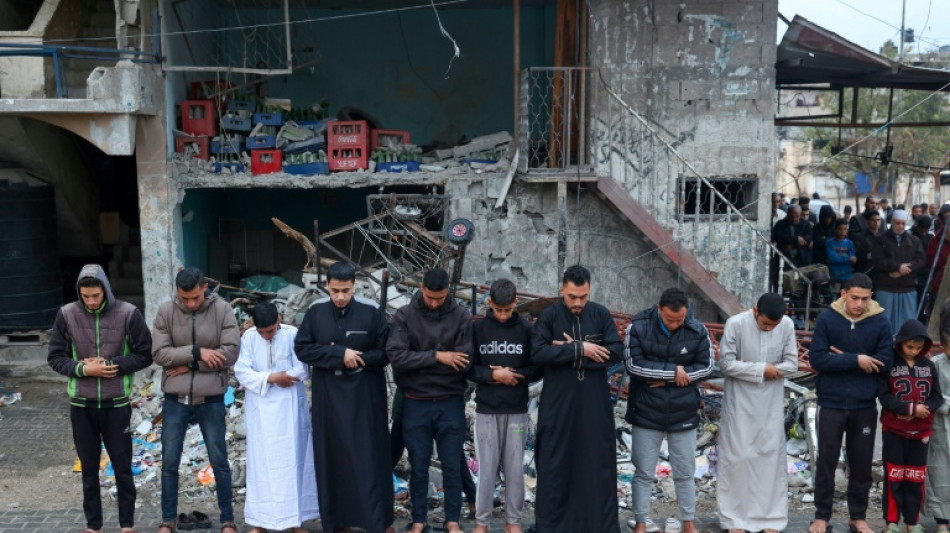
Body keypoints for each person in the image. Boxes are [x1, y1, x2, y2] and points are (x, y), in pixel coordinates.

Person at [47, 264, 153, 533]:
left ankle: (127, 525)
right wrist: (84, 369)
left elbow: (145, 354)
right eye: (86, 296)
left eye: (96, 295)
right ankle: (93, 526)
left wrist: (110, 364)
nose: (91, 301)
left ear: (105, 290)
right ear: (79, 293)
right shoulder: (66, 315)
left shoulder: (129, 313)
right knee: (89, 470)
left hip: (116, 405)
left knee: (122, 468)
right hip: (81, 406)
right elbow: (55, 358)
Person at [294, 262, 395, 533]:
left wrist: (357, 358)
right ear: (326, 285)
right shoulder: (315, 312)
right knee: (331, 457)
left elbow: (385, 353)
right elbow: (303, 349)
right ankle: (337, 522)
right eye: (335, 290)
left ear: (355, 286)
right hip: (328, 398)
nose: (340, 296)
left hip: (365, 398)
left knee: (368, 457)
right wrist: (339, 354)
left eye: (346, 290)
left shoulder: (371, 312)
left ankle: (378, 521)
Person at [531, 265, 623, 533]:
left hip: (594, 406)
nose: (578, 303)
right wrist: (580, 348)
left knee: (595, 464)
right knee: (556, 461)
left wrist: (569, 352)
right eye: (572, 297)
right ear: (562, 289)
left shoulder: (600, 314)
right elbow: (537, 354)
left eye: (583, 297)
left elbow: (616, 352)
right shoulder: (548, 317)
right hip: (559, 406)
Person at [152, 268, 240, 533]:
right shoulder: (166, 311)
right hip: (175, 399)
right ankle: (168, 520)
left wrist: (190, 364)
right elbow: (159, 354)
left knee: (219, 460)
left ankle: (228, 520)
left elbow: (230, 353)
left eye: (195, 298)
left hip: (211, 397)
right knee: (169, 462)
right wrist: (198, 352)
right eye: (184, 298)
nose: (190, 303)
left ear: (204, 288)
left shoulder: (223, 310)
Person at [388, 268, 473, 533]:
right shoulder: (405, 315)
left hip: (450, 400)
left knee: (451, 464)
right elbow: (397, 358)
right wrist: (439, 357)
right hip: (416, 401)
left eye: (440, 297)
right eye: (429, 297)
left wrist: (420, 360)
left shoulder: (461, 316)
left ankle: (452, 520)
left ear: (448, 291)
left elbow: (465, 361)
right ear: (421, 288)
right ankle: (418, 519)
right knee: (419, 464)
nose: (434, 302)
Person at [808, 273, 893, 533]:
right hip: (831, 401)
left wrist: (842, 358)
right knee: (826, 462)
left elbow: (885, 363)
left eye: (865, 299)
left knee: (861, 464)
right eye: (854, 298)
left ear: (871, 298)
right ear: (843, 294)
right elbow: (818, 360)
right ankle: (821, 516)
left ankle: (858, 516)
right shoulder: (827, 319)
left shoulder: (879, 321)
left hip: (864, 404)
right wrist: (856, 360)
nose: (859, 304)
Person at [624, 288, 714, 533]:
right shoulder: (638, 327)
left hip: (683, 410)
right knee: (643, 471)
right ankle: (641, 522)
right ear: (658, 310)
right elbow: (634, 365)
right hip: (646, 410)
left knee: (685, 472)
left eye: (679, 320)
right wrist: (674, 372)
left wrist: (668, 379)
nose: (674, 324)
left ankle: (688, 522)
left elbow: (706, 367)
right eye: (669, 319)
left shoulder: (697, 329)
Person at [716, 293, 799, 533]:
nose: (770, 328)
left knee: (769, 456)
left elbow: (791, 363)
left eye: (774, 325)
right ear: (755, 311)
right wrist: (762, 370)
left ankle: (770, 519)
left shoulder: (787, 325)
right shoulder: (736, 324)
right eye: (765, 324)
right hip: (739, 400)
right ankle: (734, 520)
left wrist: (773, 370)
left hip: (771, 401)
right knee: (738, 457)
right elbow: (727, 364)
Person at [234, 302, 318, 533]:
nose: (265, 336)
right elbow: (242, 371)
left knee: (293, 464)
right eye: (262, 332)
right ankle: (260, 522)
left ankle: (295, 521)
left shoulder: (292, 335)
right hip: (260, 410)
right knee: (261, 465)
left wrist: (284, 377)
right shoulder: (249, 338)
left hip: (290, 409)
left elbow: (303, 368)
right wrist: (272, 378)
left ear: (279, 320)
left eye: (269, 331)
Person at [468, 279, 542, 533]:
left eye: (506, 310)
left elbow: (537, 367)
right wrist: (493, 376)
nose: (501, 315)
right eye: (497, 310)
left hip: (517, 412)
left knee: (514, 469)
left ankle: (513, 521)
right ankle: (482, 522)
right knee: (486, 469)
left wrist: (516, 375)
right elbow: (468, 367)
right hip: (486, 410)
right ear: (489, 303)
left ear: (515, 304)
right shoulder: (477, 329)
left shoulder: (526, 329)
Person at [878, 319, 941, 533]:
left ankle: (912, 522)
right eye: (909, 347)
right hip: (894, 429)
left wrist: (924, 409)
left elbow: (937, 397)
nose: (914, 351)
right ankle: (891, 522)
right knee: (894, 475)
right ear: (900, 343)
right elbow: (884, 396)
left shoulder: (929, 366)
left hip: (920, 432)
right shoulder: (890, 364)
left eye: (918, 347)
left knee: (915, 477)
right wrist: (909, 409)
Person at [872, 210, 925, 330]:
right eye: (897, 223)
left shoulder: (914, 241)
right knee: (884, 325)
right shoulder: (880, 239)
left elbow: (921, 260)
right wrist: (897, 267)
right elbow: (878, 260)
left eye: (903, 223)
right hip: (886, 287)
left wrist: (904, 269)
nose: (900, 226)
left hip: (907, 287)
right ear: (891, 222)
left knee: (907, 326)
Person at [924, 332, 950, 533]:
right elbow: (931, 394)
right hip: (940, 426)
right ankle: (942, 521)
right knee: (940, 474)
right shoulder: (936, 365)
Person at [826, 219, 857, 290]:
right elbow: (832, 259)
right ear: (835, 229)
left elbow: (853, 260)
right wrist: (848, 258)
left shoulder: (850, 243)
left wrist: (839, 258)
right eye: (840, 229)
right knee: (835, 299)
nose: (843, 232)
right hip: (835, 276)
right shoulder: (829, 243)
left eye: (845, 229)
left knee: (847, 299)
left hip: (848, 276)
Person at [853, 210, 882, 277]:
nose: (876, 223)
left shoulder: (884, 236)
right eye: (873, 220)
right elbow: (858, 255)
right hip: (866, 270)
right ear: (868, 221)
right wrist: (872, 255)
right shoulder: (861, 237)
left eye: (878, 220)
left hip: (880, 271)